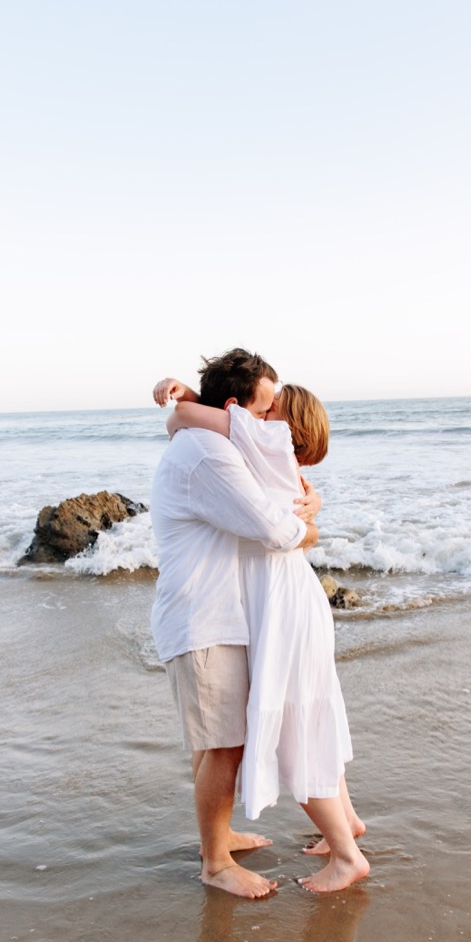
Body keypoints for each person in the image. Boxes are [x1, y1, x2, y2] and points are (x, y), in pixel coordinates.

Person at [163, 380, 368, 893]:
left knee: (295, 726)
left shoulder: (259, 446)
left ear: (280, 424)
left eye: (265, 408)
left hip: (281, 605)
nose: (250, 414)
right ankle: (347, 824)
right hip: (297, 598)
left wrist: (189, 395)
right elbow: (191, 420)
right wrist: (313, 517)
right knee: (310, 713)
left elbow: (180, 418)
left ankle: (346, 854)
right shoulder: (276, 460)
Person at [147, 348, 318, 899]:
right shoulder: (208, 455)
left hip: (208, 614)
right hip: (204, 618)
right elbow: (272, 529)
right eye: (265, 410)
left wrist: (186, 403)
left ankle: (214, 838)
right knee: (224, 744)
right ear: (235, 407)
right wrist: (309, 527)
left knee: (212, 742)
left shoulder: (211, 439)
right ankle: (216, 864)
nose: (271, 424)